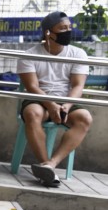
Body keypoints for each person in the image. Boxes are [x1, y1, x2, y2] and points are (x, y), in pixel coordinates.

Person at [16, 11, 92, 187]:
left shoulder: (78, 53)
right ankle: (45, 166)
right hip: (38, 99)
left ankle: (51, 164)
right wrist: (50, 105)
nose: (67, 31)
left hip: (66, 100)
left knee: (85, 118)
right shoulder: (30, 54)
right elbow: (32, 87)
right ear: (48, 32)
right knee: (32, 114)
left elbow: (77, 86)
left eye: (69, 28)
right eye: (62, 28)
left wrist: (65, 105)